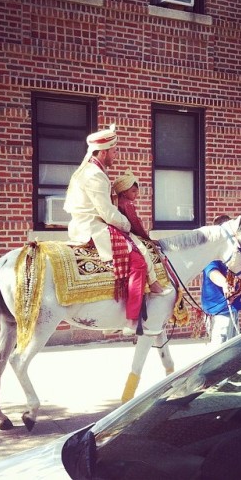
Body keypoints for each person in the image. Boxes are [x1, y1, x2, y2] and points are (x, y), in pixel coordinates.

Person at [63, 124, 162, 335]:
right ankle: (131, 320)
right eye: (114, 151)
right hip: (92, 226)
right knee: (137, 261)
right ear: (105, 151)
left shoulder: (92, 170)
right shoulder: (94, 175)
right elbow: (107, 213)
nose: (116, 155)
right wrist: (127, 226)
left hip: (92, 223)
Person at [201, 215, 241, 347]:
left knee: (232, 343)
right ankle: (213, 368)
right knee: (219, 344)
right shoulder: (212, 250)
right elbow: (212, 272)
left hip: (233, 304)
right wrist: (225, 284)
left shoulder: (232, 249)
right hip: (220, 305)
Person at [113, 169, 167, 295]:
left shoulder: (118, 203)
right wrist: (147, 238)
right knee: (145, 251)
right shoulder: (127, 204)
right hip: (127, 234)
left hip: (122, 233)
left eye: (136, 191)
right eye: (133, 191)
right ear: (124, 192)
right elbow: (135, 225)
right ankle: (153, 281)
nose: (136, 194)